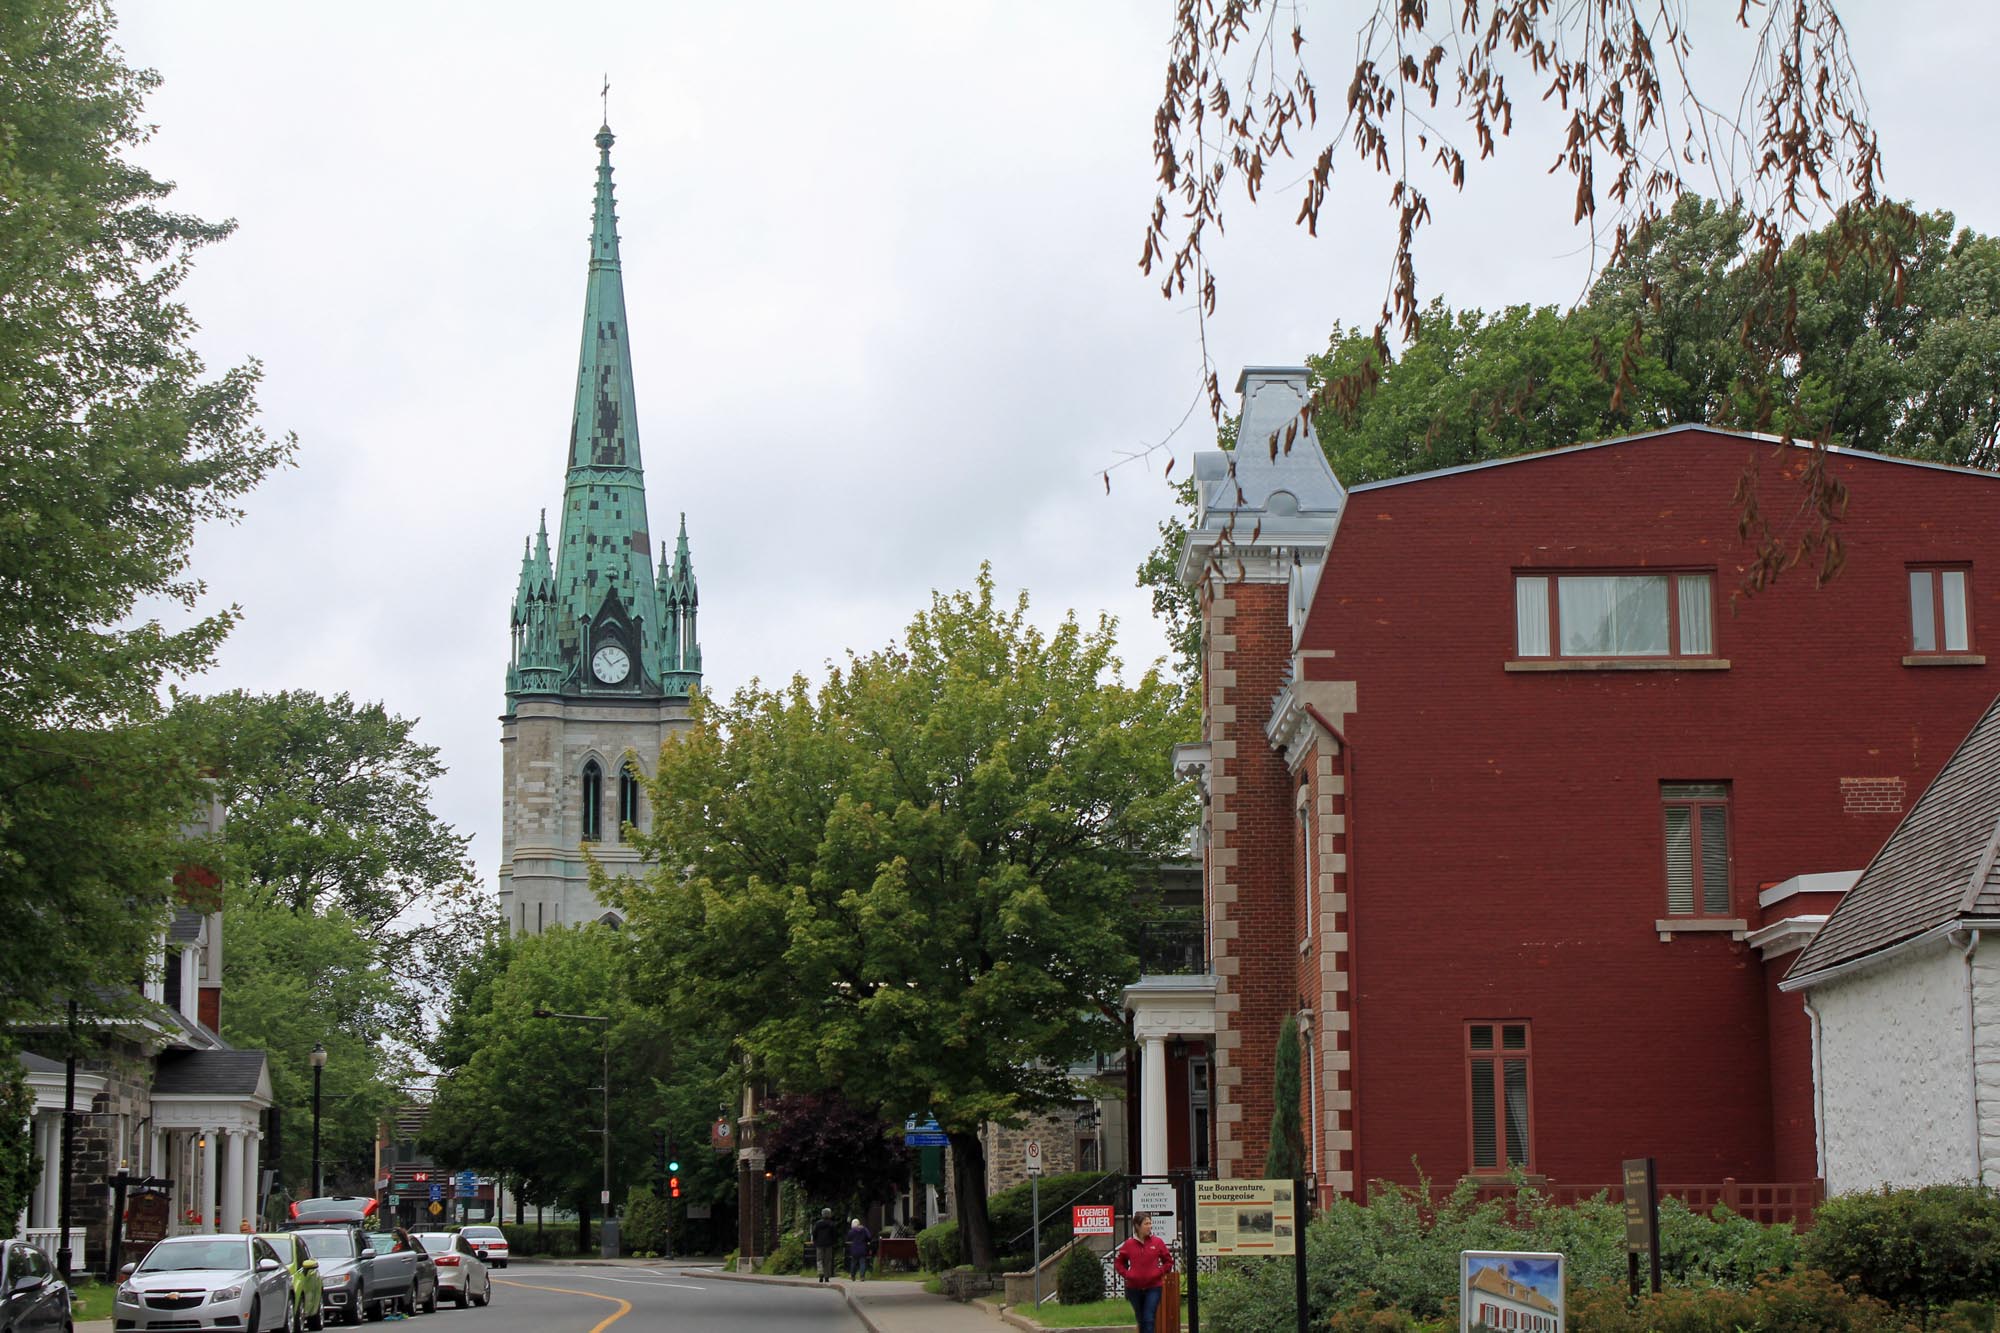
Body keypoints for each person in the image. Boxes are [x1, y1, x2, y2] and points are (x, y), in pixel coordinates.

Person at [1113, 1212, 1174, 1333]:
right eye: (1146, 1223)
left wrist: (1159, 1272)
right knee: (1141, 1319)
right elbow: (1118, 1262)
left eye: (1150, 1223)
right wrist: (1127, 1274)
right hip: (1134, 1288)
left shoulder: (1157, 1242)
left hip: (1154, 1287)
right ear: (1137, 1226)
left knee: (1149, 1318)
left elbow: (1168, 1262)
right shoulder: (1128, 1244)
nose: (1149, 1226)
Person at [810, 1207, 842, 1283]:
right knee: (827, 1261)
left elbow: (814, 1233)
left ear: (822, 1214)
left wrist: (815, 1241)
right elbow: (835, 1235)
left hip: (819, 1244)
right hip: (829, 1244)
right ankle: (827, 1276)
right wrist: (834, 1242)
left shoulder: (818, 1224)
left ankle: (821, 1272)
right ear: (829, 1215)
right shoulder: (832, 1224)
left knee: (819, 1260)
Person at [844, 1217, 873, 1281]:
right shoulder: (864, 1229)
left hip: (854, 1249)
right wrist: (866, 1240)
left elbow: (848, 1237)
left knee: (853, 1262)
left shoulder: (852, 1231)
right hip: (863, 1248)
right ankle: (862, 1276)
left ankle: (852, 1276)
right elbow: (869, 1237)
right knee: (862, 1262)